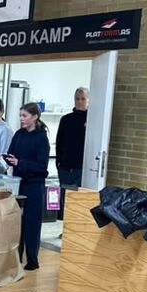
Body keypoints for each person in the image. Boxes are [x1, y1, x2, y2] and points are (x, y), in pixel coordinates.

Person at [3, 102, 50, 271]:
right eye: (20, 116)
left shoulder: (41, 138)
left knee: (32, 222)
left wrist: (20, 163)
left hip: (34, 185)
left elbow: (41, 167)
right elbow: (12, 154)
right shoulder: (19, 134)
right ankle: (16, 257)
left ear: (35, 117)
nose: (21, 119)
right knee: (17, 222)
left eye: (25, 116)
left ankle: (32, 259)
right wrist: (5, 159)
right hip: (18, 182)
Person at [56, 87, 89, 218]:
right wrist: (59, 162)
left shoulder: (92, 120)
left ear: (88, 100)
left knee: (77, 199)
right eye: (77, 99)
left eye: (83, 99)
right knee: (65, 198)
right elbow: (59, 142)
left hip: (81, 167)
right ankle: (65, 224)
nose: (79, 101)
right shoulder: (66, 119)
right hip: (65, 166)